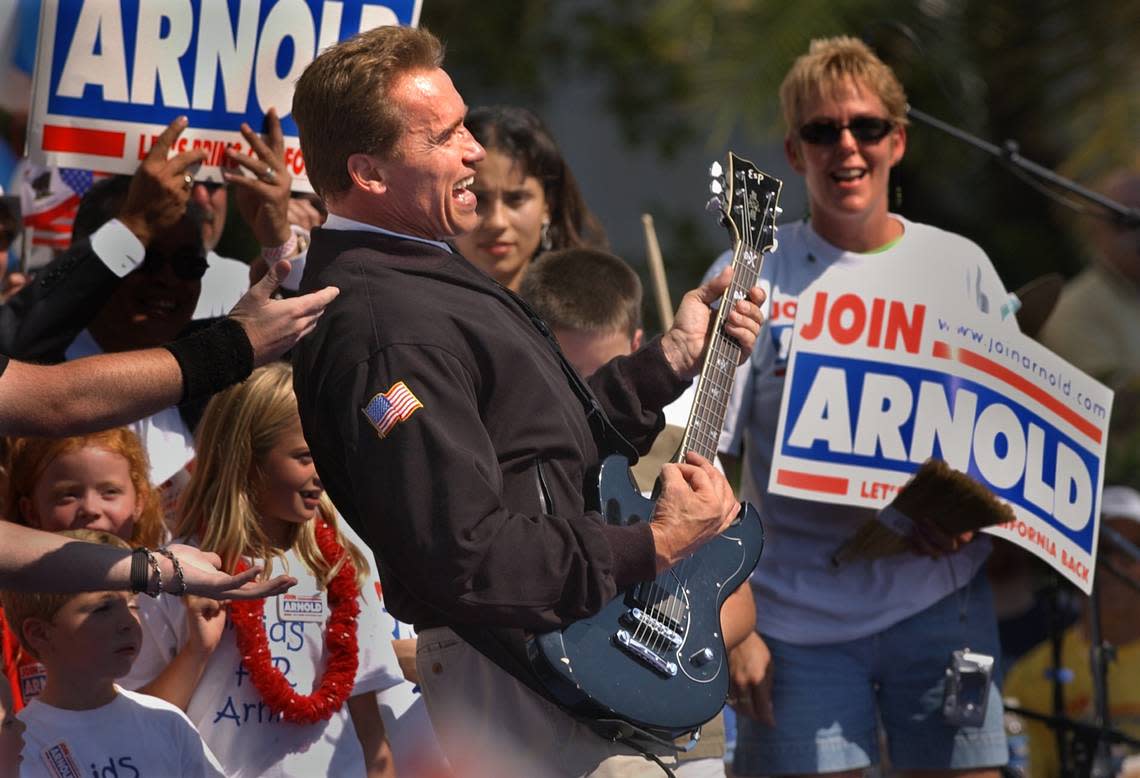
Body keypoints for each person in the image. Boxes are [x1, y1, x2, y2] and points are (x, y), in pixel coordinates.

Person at [290, 25, 764, 776]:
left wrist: (672, 360)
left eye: (464, 126)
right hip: (514, 672)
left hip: (554, 655)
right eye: (444, 137)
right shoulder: (391, 326)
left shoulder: (418, 275)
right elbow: (465, 550)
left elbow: (538, 445)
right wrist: (657, 544)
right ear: (369, 173)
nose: (474, 150)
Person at [716, 36, 1013, 776]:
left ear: (897, 141)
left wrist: (973, 512)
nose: (846, 145)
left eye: (866, 127)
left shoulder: (962, 267)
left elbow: (1011, 444)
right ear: (794, 151)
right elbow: (702, 461)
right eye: (822, 131)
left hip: (942, 612)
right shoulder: (750, 272)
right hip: (791, 624)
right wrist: (732, 622)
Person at [520, 247, 759, 777]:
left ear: (635, 350)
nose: (587, 398)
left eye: (602, 377)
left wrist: (692, 635)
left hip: (685, 720)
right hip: (569, 712)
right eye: (569, 377)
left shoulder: (679, 447)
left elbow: (739, 602)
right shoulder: (529, 455)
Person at [123, 362, 401, 777]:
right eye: (305, 458)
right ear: (247, 458)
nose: (321, 474)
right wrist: (198, 651)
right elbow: (134, 724)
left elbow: (373, 742)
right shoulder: (176, 572)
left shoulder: (337, 568)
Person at [2, 529, 225, 777]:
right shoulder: (20, 744)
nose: (128, 622)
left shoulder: (165, 720)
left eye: (133, 604)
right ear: (40, 634)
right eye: (103, 608)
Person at [1003, 486, 1140, 778]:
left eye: (1132, 549)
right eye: (1102, 551)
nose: (1115, 564)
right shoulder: (1028, 677)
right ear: (1074, 559)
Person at [450, 105, 607, 290]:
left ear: (548, 204)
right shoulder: (419, 307)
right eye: (479, 198)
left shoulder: (590, 308)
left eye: (516, 199)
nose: (497, 222)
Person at [1038, 168, 1140, 390]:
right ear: (1095, 231)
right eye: (1126, 221)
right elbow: (1115, 409)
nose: (1138, 231)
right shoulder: (1070, 311)